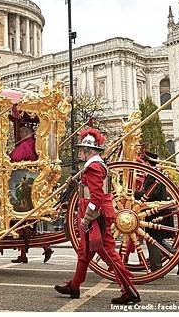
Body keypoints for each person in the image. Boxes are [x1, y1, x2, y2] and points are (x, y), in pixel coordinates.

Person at [54, 128, 140, 304]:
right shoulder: (96, 165)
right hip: (96, 214)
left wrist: (87, 218)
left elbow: (96, 197)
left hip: (96, 217)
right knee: (84, 252)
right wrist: (77, 183)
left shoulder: (93, 167)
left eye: (81, 150)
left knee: (108, 253)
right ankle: (75, 285)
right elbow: (90, 190)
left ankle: (129, 291)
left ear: (88, 151)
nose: (79, 153)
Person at [135, 150, 179, 275]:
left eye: (143, 162)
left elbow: (150, 194)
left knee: (152, 240)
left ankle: (157, 269)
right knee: (157, 240)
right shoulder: (154, 174)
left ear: (147, 163)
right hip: (156, 212)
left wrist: (133, 194)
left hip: (155, 213)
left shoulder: (153, 175)